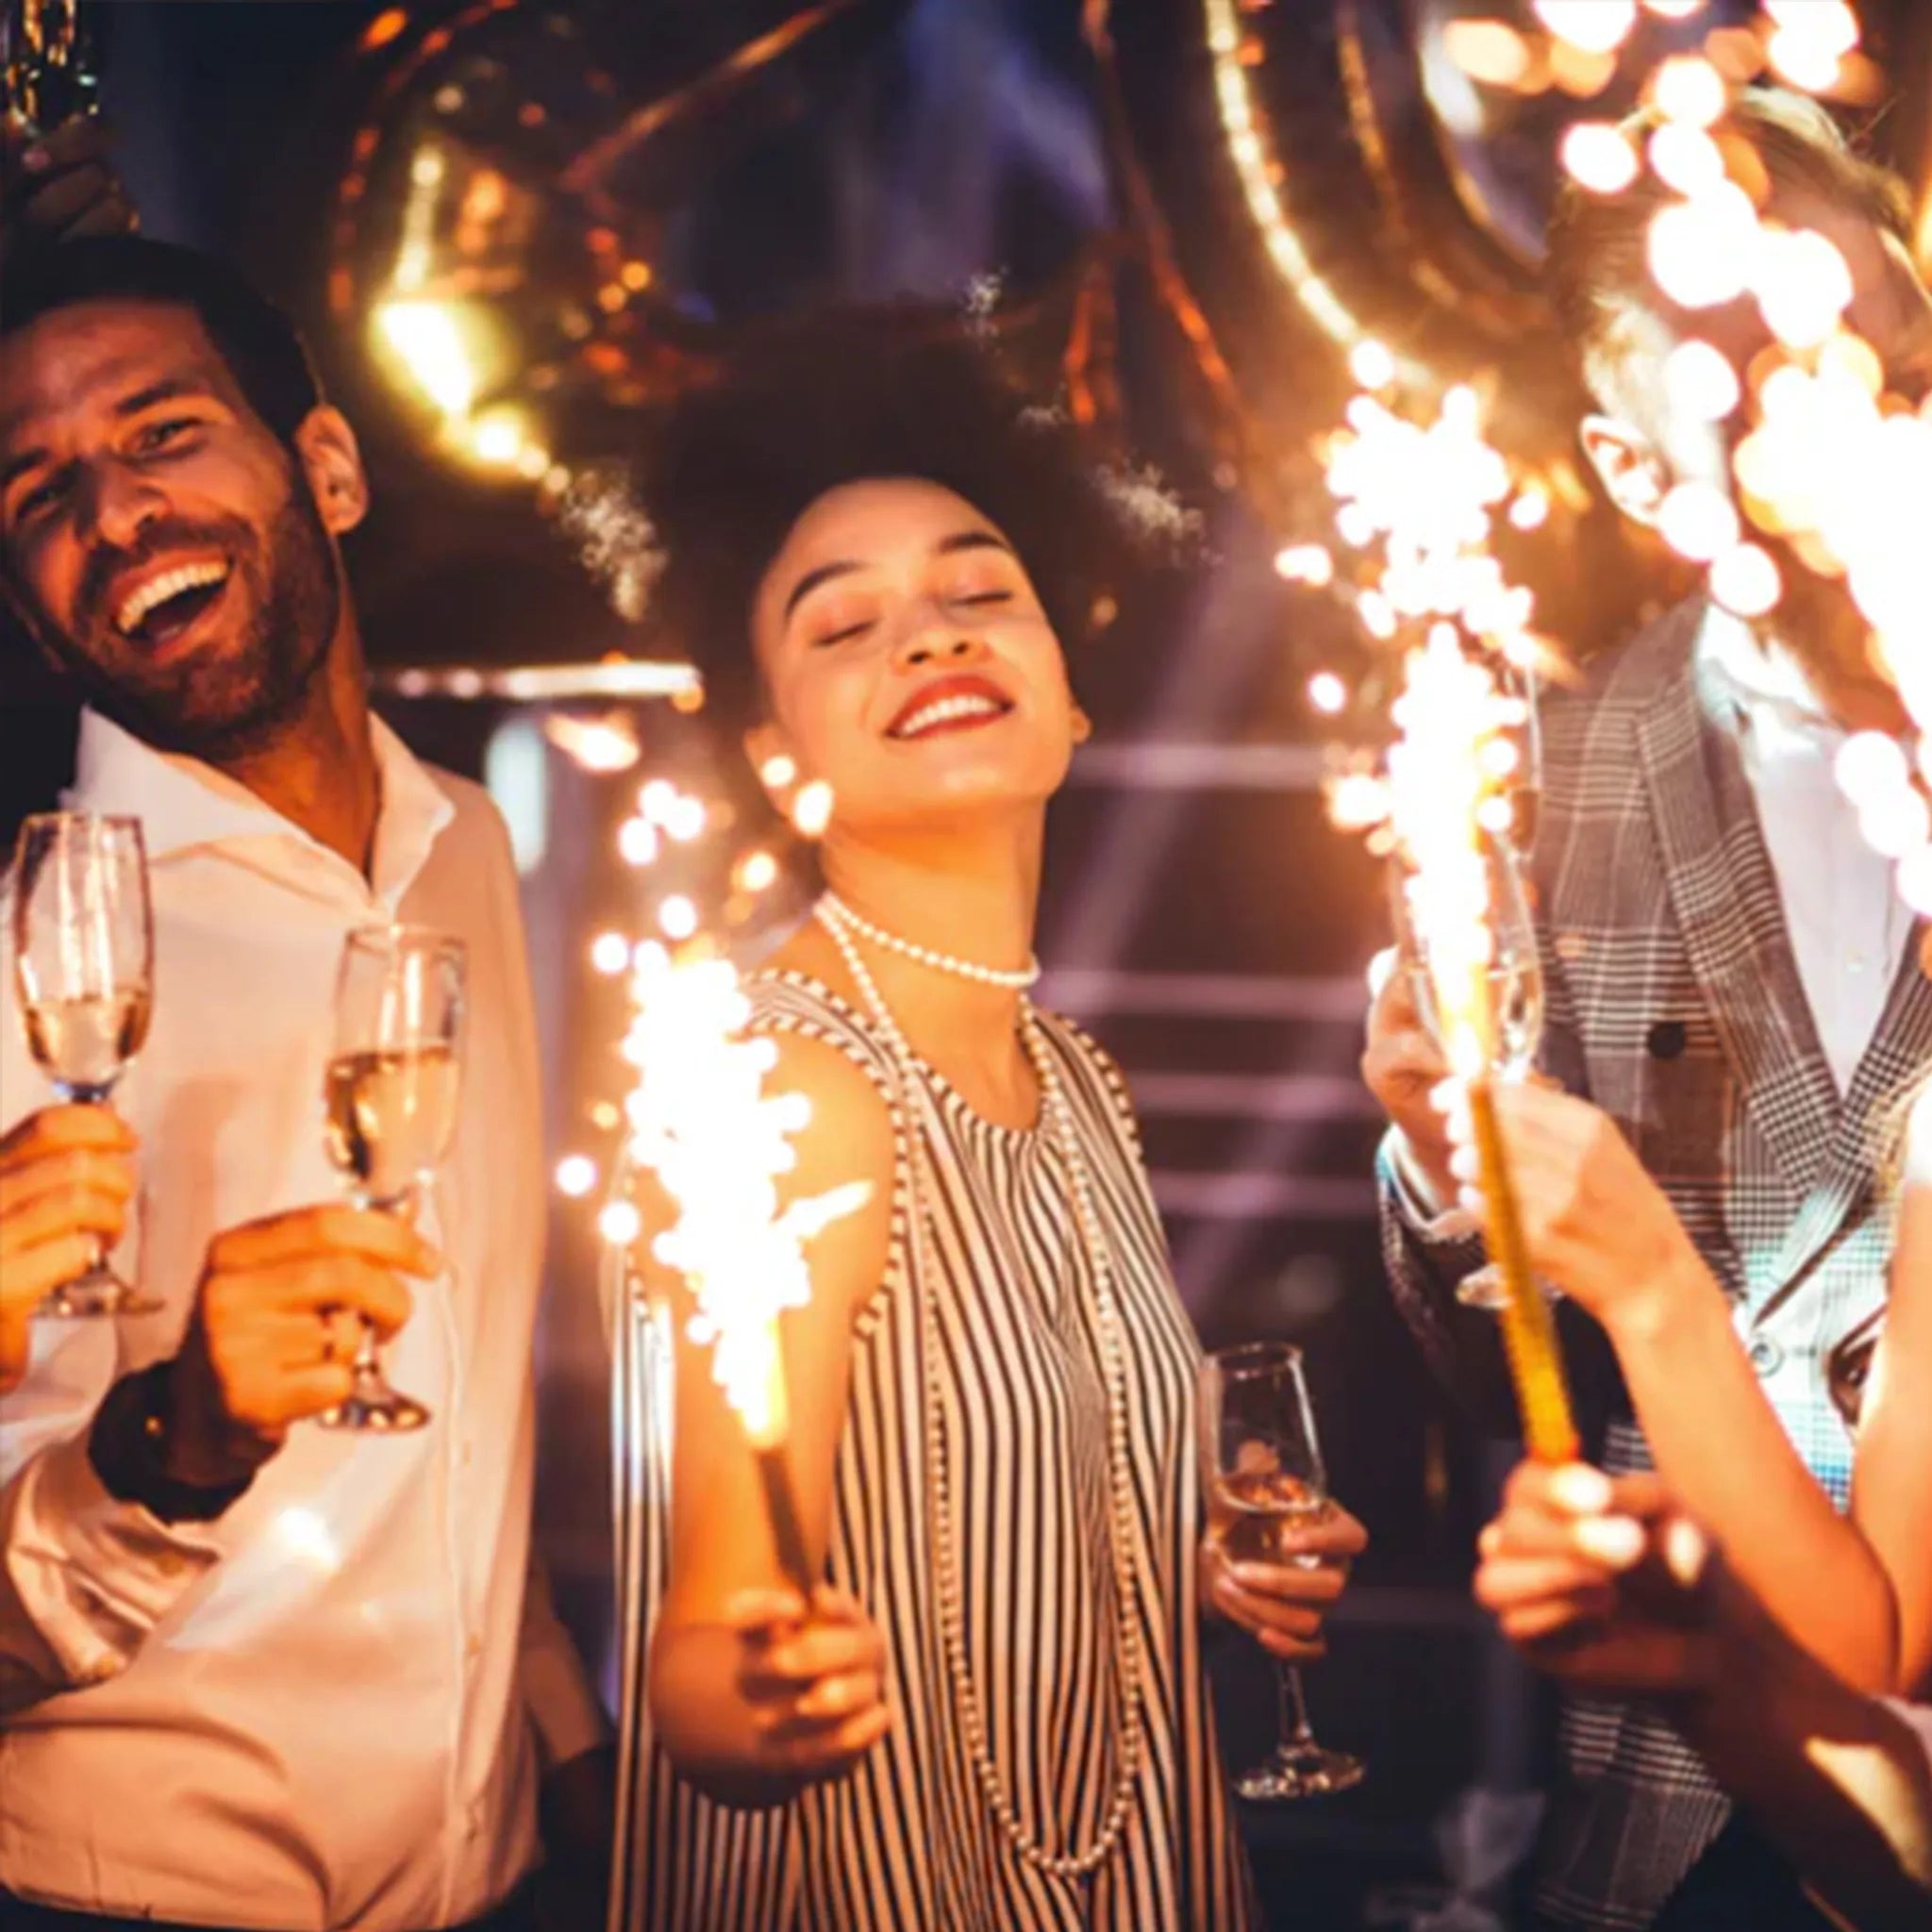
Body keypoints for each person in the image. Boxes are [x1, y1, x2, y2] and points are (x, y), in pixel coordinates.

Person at [609, 315, 1365, 1931]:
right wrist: (760, 1701)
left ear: (1070, 694)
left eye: (979, 593)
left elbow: (1007, 1534)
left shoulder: (1079, 1081)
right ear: (775, 760)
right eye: (846, 625)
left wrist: (1196, 1567)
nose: (929, 638)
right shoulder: (788, 1089)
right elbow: (702, 1658)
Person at [1365, 88, 1932, 1930]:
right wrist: (1442, 1164)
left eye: (1885, 362)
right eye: (1752, 397)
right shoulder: (1533, 776)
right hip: (1668, 1807)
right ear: (1626, 467)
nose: (1841, 428)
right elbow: (1496, 1383)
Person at [0, 236, 609, 1931]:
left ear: (327, 468)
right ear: (29, 611)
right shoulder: (25, 955)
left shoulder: (469, 848)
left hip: (498, 1882)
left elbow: (470, 1392)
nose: (114, 512)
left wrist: (565, 1735)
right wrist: (167, 1445)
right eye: (37, 493)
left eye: (162, 433)